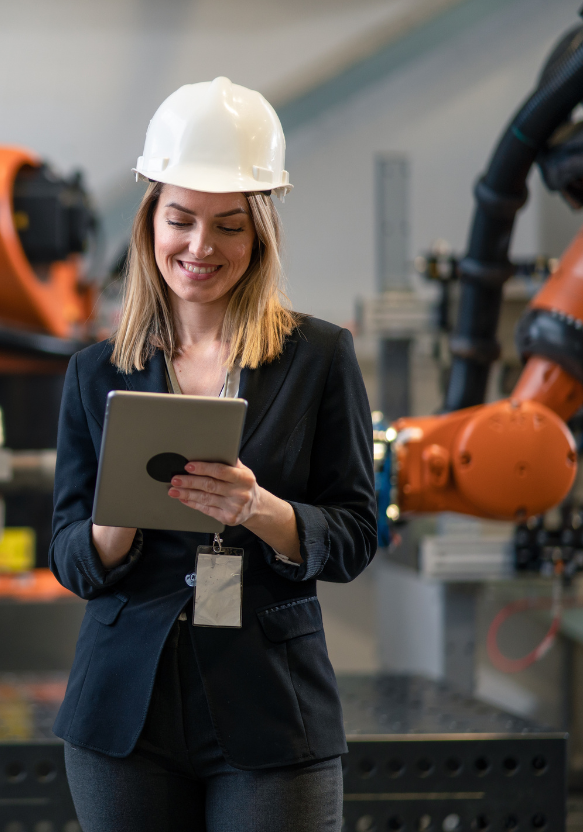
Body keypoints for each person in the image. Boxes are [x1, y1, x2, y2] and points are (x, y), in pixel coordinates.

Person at [49, 77, 377, 832]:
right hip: (123, 713)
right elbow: (67, 553)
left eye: (228, 225)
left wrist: (260, 510)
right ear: (150, 224)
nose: (201, 247)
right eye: (181, 220)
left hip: (271, 707)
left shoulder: (319, 357)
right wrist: (116, 524)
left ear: (259, 233)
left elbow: (357, 533)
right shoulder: (95, 372)